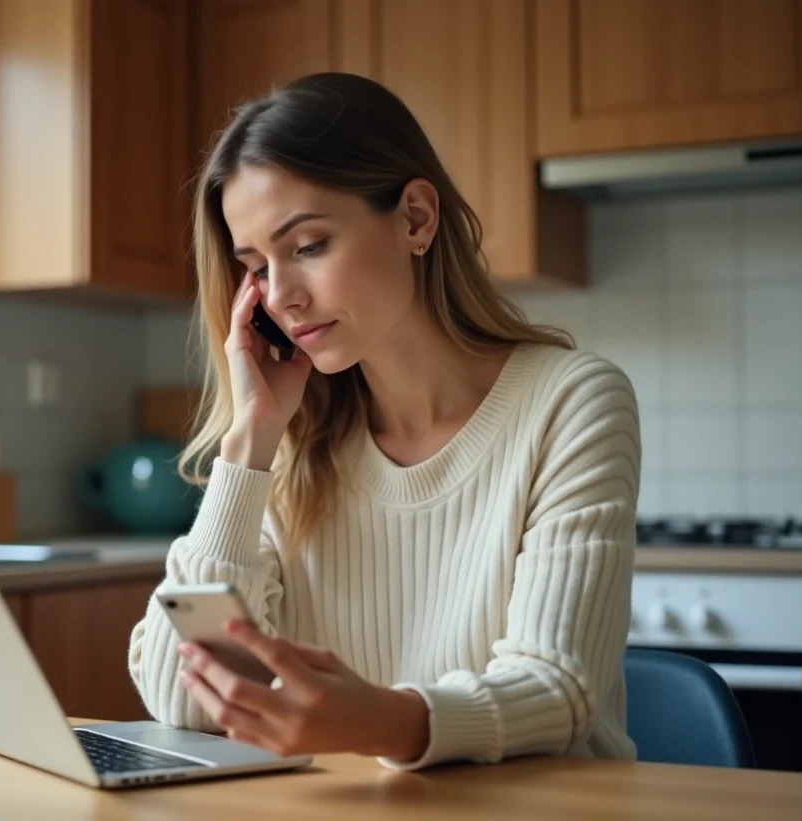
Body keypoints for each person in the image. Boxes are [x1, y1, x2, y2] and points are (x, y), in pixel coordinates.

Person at [128, 72, 640, 770]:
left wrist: (384, 721)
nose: (282, 298)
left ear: (416, 219)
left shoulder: (570, 401)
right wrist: (248, 442)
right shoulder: (292, 441)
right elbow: (177, 695)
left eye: (307, 246)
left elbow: (558, 687)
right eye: (256, 266)